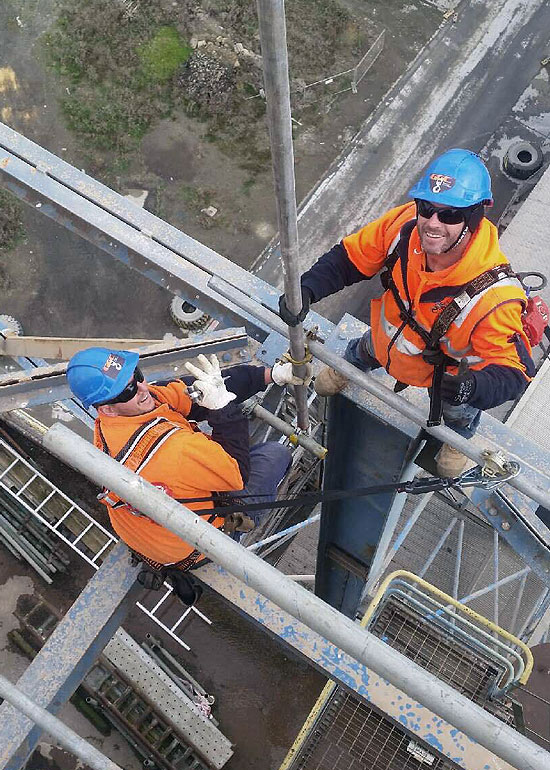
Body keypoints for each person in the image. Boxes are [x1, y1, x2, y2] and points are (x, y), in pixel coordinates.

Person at [279, 149, 535, 476]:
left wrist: (474, 388)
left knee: (457, 410)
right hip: (387, 338)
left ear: (473, 218)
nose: (432, 223)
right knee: (367, 347)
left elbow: (515, 371)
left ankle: (457, 436)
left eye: (449, 215)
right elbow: (350, 258)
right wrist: (306, 289)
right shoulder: (405, 227)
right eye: (426, 208)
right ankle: (348, 367)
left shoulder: (494, 297)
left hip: (448, 375)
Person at [66, 347, 311, 573]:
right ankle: (236, 528)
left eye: (136, 375)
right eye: (127, 390)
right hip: (195, 547)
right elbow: (237, 473)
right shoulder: (173, 450)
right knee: (275, 455)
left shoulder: (116, 420)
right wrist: (223, 409)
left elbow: (189, 392)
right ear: (106, 408)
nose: (142, 387)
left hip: (151, 534)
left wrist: (271, 375)